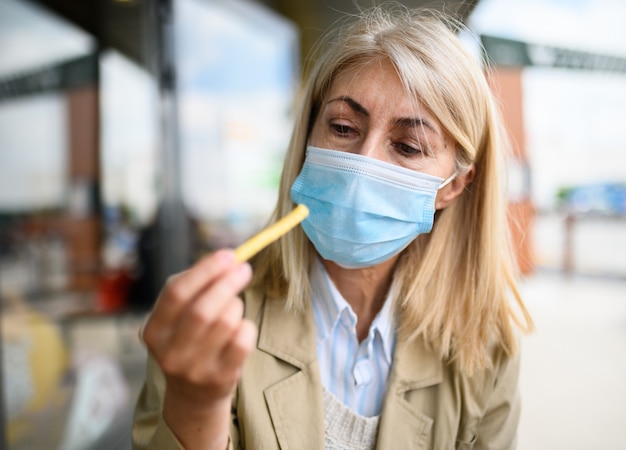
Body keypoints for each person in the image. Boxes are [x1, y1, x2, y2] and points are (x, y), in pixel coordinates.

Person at [131, 4, 534, 449]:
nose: (362, 165)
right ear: (307, 135)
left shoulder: (488, 347)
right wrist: (194, 405)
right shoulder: (210, 324)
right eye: (343, 127)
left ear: (453, 186)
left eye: (407, 145)